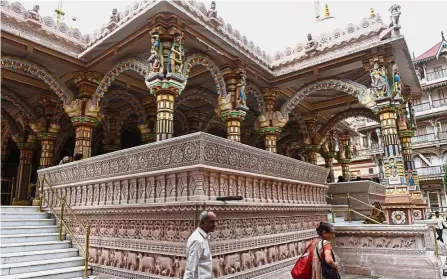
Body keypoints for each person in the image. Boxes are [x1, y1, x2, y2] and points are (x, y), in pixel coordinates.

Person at [184, 211, 217, 279]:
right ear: (202, 223)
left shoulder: (203, 237)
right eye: (211, 222)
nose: (214, 224)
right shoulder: (198, 241)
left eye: (215, 222)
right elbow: (190, 269)